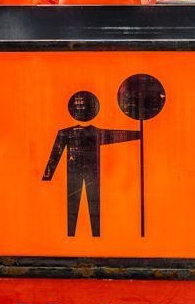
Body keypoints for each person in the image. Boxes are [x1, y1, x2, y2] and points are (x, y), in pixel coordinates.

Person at [42, 90, 140, 238]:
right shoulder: (67, 133)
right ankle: (76, 235)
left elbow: (117, 134)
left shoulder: (93, 132)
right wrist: (47, 175)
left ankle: (94, 235)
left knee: (92, 205)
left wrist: (138, 134)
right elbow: (55, 154)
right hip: (77, 172)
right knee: (74, 205)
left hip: (89, 172)